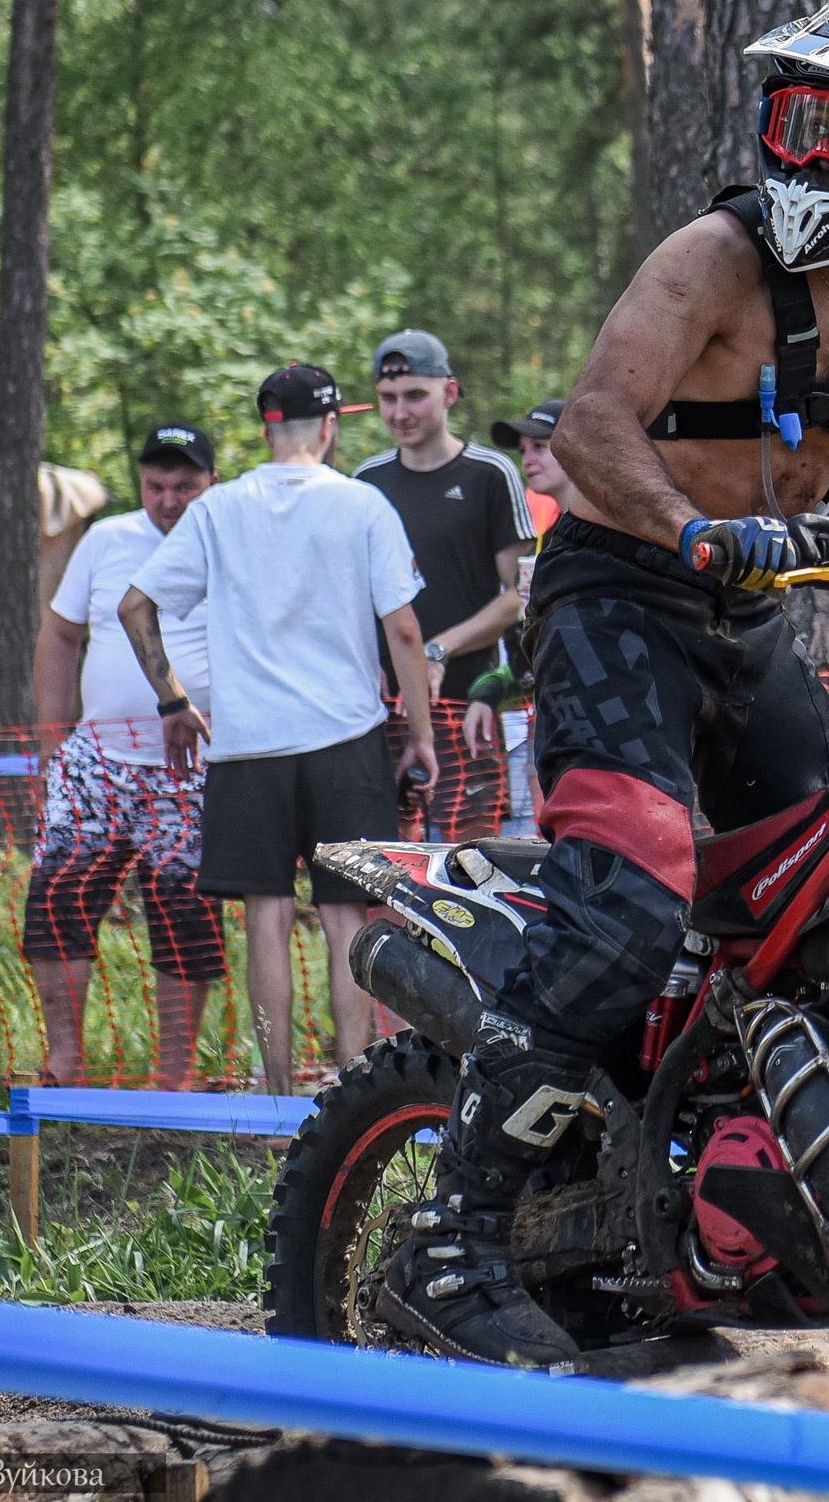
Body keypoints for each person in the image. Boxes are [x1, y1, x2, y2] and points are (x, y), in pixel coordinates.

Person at [379, 0, 829, 1366]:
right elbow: (594, 420)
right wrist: (687, 527)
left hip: (751, 621)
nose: (820, 157)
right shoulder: (714, 258)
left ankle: (771, 1213)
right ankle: (454, 1239)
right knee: (629, 908)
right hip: (619, 596)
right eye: (804, 121)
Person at [122, 366, 439, 1096]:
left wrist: (173, 702)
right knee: (346, 917)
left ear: (267, 428)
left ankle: (274, 1100)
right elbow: (403, 628)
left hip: (247, 747)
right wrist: (420, 734)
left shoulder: (218, 507)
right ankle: (353, 1092)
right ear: (329, 426)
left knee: (265, 918)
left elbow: (135, 606)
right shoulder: (363, 503)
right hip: (346, 740)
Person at [23, 422, 225, 1090]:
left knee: (184, 906)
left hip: (196, 764)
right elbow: (60, 635)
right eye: (155, 485)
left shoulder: (233, 541)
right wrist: (53, 745)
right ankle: (64, 1064)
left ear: (213, 483)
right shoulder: (107, 538)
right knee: (57, 895)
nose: (168, 499)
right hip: (96, 760)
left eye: (184, 486)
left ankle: (174, 1075)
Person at [357, 331, 538, 842]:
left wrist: (436, 650)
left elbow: (521, 596)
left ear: (450, 393)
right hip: (385, 711)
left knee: (472, 857)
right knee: (388, 860)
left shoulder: (490, 473)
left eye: (415, 395)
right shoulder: (366, 481)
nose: (400, 413)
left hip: (468, 708)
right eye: (388, 398)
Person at [461, 398, 600, 835]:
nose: (528, 459)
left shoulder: (605, 529)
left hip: (603, 734)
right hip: (559, 729)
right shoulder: (552, 535)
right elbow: (535, 646)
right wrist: (491, 689)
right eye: (523, 450)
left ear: (577, 448)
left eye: (540, 446)